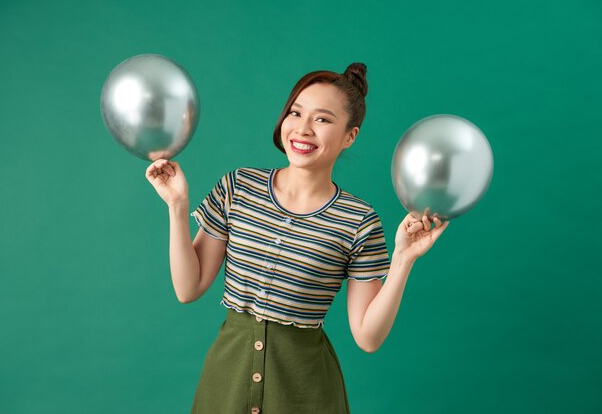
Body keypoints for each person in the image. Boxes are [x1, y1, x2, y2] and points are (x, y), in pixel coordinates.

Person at [145, 63, 449, 414]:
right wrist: (177, 205)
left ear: (350, 136)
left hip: (306, 394)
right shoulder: (238, 187)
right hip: (225, 386)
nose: (302, 129)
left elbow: (368, 337)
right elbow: (189, 288)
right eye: (295, 112)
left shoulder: (358, 221)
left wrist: (403, 259)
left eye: (322, 120)